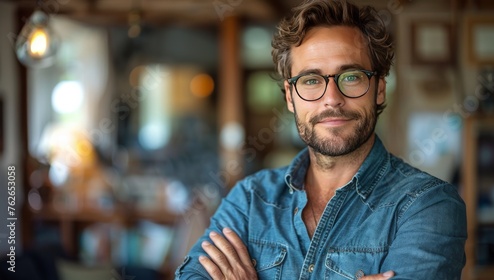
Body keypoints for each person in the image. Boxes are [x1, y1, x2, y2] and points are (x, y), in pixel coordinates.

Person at [175, 0, 467, 279]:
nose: (331, 100)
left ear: (379, 89)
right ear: (290, 98)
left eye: (351, 76)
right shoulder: (250, 200)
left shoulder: (427, 205)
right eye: (311, 80)